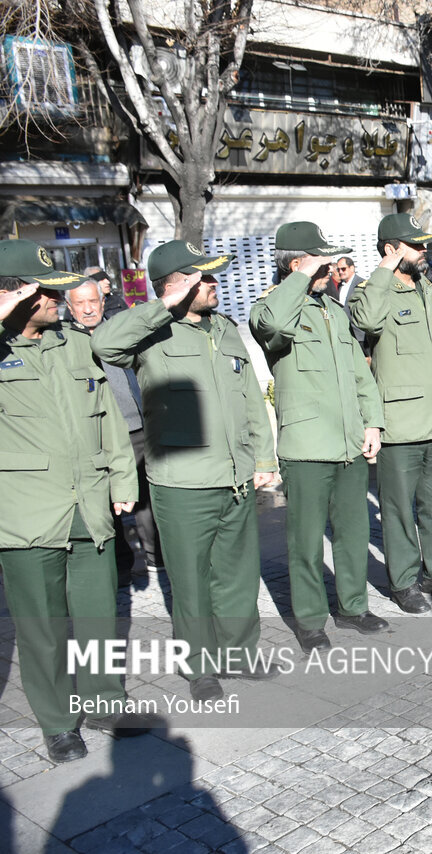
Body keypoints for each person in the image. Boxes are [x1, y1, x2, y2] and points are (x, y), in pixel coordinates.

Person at [93, 240, 278, 703]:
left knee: (237, 575)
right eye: (204, 278)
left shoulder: (225, 328)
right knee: (190, 579)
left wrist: (263, 459)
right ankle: (201, 668)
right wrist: (163, 305)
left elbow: (251, 399)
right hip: (182, 482)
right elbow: (103, 345)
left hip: (235, 476)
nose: (214, 285)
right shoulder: (150, 333)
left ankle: (239, 653)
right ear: (176, 284)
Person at [0, 240, 144, 763]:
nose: (59, 300)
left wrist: (123, 481)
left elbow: (106, 415)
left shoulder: (74, 345)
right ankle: (59, 723)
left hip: (90, 504)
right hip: (25, 514)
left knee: (97, 615)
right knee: (41, 626)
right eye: (46, 293)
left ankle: (105, 701)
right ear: (15, 295)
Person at [250, 222, 387, 651]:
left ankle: (353, 607)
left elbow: (359, 372)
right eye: (325, 261)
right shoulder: (272, 307)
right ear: (298, 264)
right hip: (307, 448)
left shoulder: (332, 309)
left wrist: (372, 423)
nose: (335, 268)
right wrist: (299, 277)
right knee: (305, 542)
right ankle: (309, 620)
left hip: (348, 442)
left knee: (352, 533)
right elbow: (270, 327)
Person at [348, 213, 432, 608]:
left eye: (425, 244)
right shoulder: (371, 291)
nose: (425, 251)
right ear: (391, 249)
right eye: (415, 245)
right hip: (400, 423)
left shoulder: (429, 289)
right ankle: (403, 582)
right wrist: (385, 269)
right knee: (399, 511)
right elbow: (364, 320)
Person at [64, 276, 163, 585]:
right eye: (79, 303)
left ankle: (155, 557)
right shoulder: (63, 341)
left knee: (144, 497)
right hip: (95, 435)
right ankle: (119, 566)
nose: (87, 309)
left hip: (135, 429)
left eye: (92, 301)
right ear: (69, 307)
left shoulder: (119, 331)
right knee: (106, 502)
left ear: (103, 302)